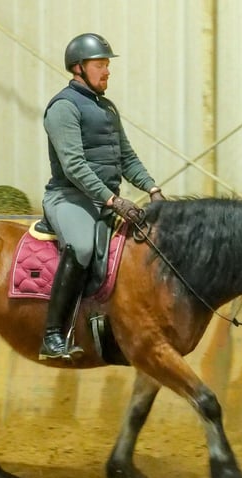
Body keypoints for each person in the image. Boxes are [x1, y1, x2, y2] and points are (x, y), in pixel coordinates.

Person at [39, 32, 165, 361]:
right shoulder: (63, 107)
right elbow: (74, 165)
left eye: (107, 64)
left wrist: (152, 189)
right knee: (81, 246)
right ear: (78, 68)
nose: (107, 71)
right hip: (68, 197)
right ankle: (52, 335)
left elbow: (126, 157)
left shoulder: (107, 108)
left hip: (104, 198)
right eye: (100, 65)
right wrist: (113, 200)